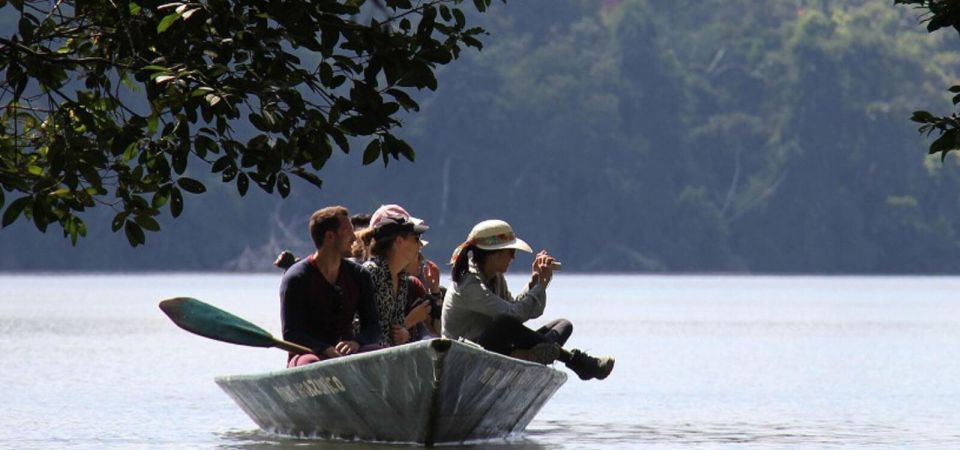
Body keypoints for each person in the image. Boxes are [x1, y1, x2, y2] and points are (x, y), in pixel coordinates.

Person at [441, 219, 614, 381]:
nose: (513, 257)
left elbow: (517, 307)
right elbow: (513, 316)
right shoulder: (469, 285)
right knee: (503, 323)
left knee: (563, 325)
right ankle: (573, 360)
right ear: (493, 254)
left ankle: (529, 355)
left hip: (496, 349)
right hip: (465, 357)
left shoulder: (495, 277)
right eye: (511, 252)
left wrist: (536, 282)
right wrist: (540, 287)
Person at [279, 206, 383, 367]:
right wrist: (324, 349)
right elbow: (291, 333)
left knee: (378, 354)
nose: (354, 238)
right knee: (312, 364)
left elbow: (373, 327)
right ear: (329, 237)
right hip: (308, 354)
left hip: (347, 354)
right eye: (348, 231)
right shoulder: (296, 278)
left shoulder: (359, 275)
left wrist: (356, 342)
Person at [362, 204, 435, 346]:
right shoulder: (371, 273)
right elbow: (363, 329)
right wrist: (407, 324)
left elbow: (397, 330)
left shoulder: (402, 278)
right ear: (399, 241)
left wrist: (405, 333)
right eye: (416, 238)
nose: (420, 245)